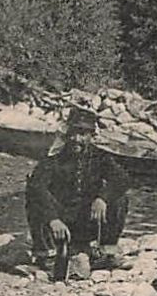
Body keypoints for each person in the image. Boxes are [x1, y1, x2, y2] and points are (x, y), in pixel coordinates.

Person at [25, 107, 131, 274]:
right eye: (73, 133)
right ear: (67, 134)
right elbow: (35, 188)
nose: (76, 139)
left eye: (83, 134)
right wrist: (53, 219)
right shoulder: (54, 159)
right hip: (59, 224)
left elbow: (122, 179)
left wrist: (102, 198)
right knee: (34, 197)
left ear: (91, 136)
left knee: (120, 199)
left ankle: (107, 253)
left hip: (86, 222)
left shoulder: (100, 158)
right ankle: (47, 255)